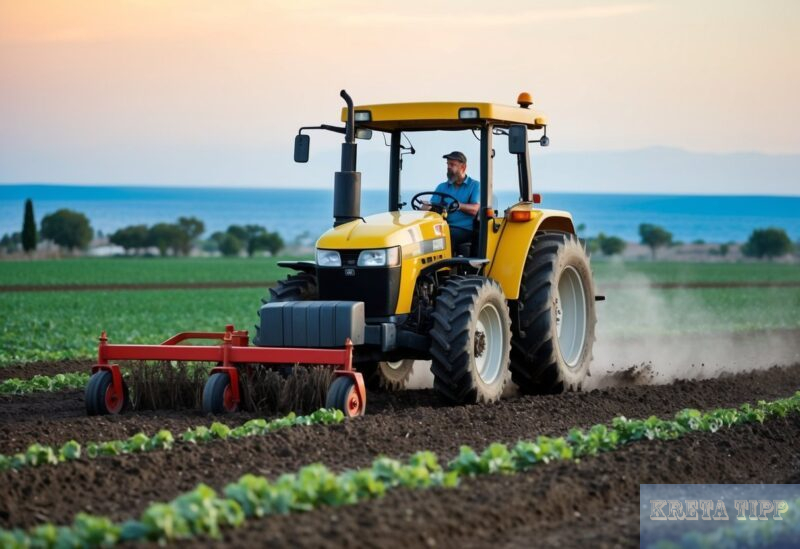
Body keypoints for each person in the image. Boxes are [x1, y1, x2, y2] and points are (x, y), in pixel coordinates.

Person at [423, 151, 480, 255]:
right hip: (443, 227)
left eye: (452, 165)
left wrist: (459, 205)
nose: (449, 167)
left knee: (444, 238)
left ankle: (445, 268)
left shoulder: (475, 185)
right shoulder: (442, 187)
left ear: (463, 167)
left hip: (464, 229)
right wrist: (427, 207)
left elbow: (475, 209)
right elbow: (433, 206)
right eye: (448, 164)